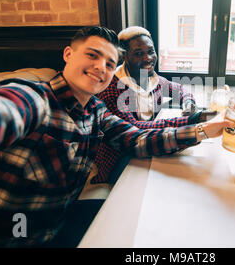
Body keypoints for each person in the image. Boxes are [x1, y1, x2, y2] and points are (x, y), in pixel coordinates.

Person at [0, 26, 232, 247]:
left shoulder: (95, 110)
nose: (101, 68)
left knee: (151, 226)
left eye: (109, 63)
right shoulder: (35, 98)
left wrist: (205, 129)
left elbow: (138, 139)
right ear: (68, 54)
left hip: (53, 228)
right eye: (92, 55)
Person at [88, 26, 215, 184]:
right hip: (118, 158)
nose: (148, 58)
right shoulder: (112, 88)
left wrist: (189, 105)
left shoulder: (151, 79)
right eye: (139, 53)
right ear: (124, 57)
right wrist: (192, 121)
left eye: (151, 51)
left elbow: (180, 89)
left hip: (148, 143)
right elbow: (135, 128)